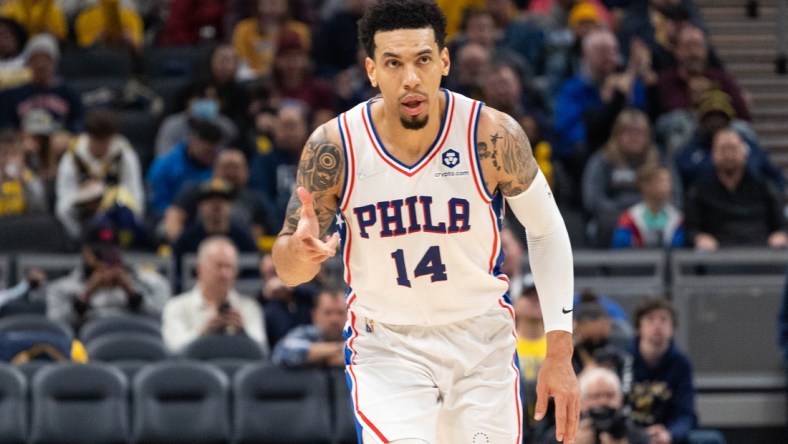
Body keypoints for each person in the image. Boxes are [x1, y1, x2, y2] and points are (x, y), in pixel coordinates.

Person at [271, 1, 579, 443]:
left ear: (445, 62)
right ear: (372, 70)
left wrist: (559, 351)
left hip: (481, 341)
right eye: (394, 63)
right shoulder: (334, 147)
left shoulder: (491, 135)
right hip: (388, 344)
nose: (411, 78)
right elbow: (288, 269)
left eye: (423, 60)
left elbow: (547, 230)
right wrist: (300, 254)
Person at [45, 221, 171, 332]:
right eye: (98, 253)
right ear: (86, 252)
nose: (105, 258)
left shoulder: (151, 282)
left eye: (111, 252)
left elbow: (164, 322)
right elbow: (57, 328)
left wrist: (132, 294)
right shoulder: (61, 288)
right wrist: (86, 295)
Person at [684, 128, 788, 250]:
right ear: (713, 154)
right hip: (717, 257)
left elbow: (782, 225)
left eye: (733, 148)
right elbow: (691, 230)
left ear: (744, 153)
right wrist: (699, 237)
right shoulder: (698, 191)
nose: (728, 155)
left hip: (761, 254)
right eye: (723, 149)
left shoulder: (764, 187)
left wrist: (780, 235)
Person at [162, 235, 267, 354]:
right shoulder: (177, 306)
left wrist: (244, 332)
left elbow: (262, 350)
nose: (225, 274)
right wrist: (203, 332)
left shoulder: (249, 308)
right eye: (219, 266)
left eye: (229, 267)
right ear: (200, 269)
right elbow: (172, 349)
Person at [627, 297, 697, 444]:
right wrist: (636, 434)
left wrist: (670, 434)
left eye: (664, 320)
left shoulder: (681, 364)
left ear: (673, 327)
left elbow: (687, 414)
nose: (657, 325)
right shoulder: (622, 359)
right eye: (650, 320)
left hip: (667, 437)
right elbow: (615, 406)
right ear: (638, 327)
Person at [543, 366, 649, 444]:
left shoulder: (636, 435)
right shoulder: (559, 436)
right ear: (580, 402)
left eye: (610, 395)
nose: (603, 401)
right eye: (595, 396)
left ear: (620, 399)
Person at [612, 164, 684, 249]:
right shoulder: (630, 218)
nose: (668, 187)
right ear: (646, 185)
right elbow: (620, 251)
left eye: (668, 181)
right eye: (661, 181)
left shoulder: (676, 218)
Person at [271, 287, 347, 368]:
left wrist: (316, 356)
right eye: (328, 313)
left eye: (340, 313)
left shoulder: (357, 336)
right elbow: (283, 351)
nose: (334, 319)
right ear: (314, 315)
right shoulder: (309, 333)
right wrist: (340, 349)